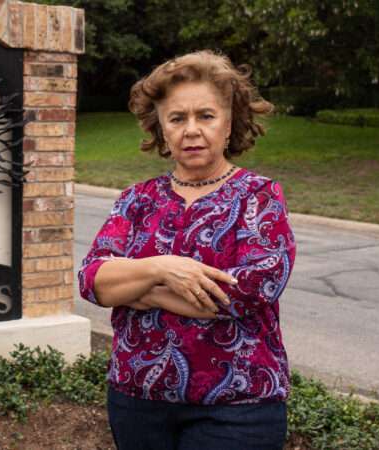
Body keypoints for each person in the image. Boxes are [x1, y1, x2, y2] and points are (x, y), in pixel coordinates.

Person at [77, 50, 297, 450]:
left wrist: (139, 287)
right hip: (136, 401)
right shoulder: (136, 199)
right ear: (161, 129)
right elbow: (94, 281)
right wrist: (163, 268)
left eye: (206, 116)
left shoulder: (258, 197)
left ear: (228, 124)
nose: (191, 130)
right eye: (177, 118)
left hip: (237, 407)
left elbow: (247, 291)